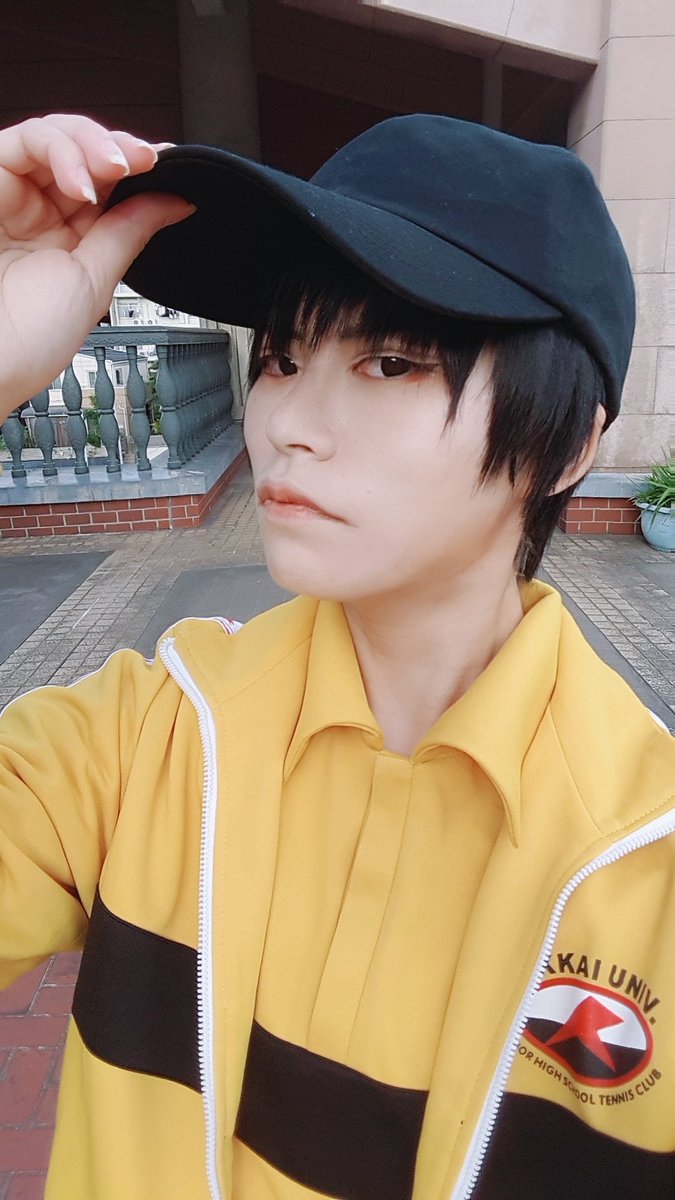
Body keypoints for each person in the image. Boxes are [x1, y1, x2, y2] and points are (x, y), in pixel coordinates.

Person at [0, 112, 673, 1200]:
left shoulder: (644, 862)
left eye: (390, 362)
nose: (287, 425)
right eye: (281, 357)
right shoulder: (140, 742)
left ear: (570, 443)